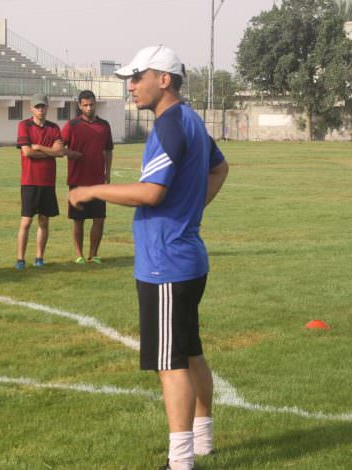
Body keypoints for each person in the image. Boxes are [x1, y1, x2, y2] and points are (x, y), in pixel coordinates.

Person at [69, 45, 229, 470]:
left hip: (166, 265)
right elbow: (219, 168)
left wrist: (92, 190)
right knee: (191, 352)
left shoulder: (169, 126)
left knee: (170, 364)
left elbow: (152, 192)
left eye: (137, 77)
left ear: (164, 79)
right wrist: (192, 209)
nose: (131, 86)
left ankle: (180, 461)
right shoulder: (190, 120)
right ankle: (203, 441)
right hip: (188, 259)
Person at [15, 94, 71, 269]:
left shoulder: (53, 128)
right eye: (37, 107)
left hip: (48, 182)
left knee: (44, 221)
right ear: (31, 108)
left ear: (47, 107)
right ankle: (20, 259)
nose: (40, 110)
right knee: (26, 221)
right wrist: (49, 152)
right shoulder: (24, 125)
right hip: (30, 181)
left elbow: (60, 152)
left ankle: (39, 257)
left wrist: (39, 147)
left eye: (43, 106)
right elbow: (27, 153)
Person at [62, 90, 114, 264]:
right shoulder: (72, 125)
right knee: (78, 220)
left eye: (91, 104)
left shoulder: (104, 126)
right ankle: (79, 255)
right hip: (77, 180)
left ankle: (94, 254)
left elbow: (108, 150)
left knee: (99, 219)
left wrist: (108, 172)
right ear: (79, 106)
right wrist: (70, 153)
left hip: (98, 181)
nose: (89, 108)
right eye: (85, 105)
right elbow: (59, 147)